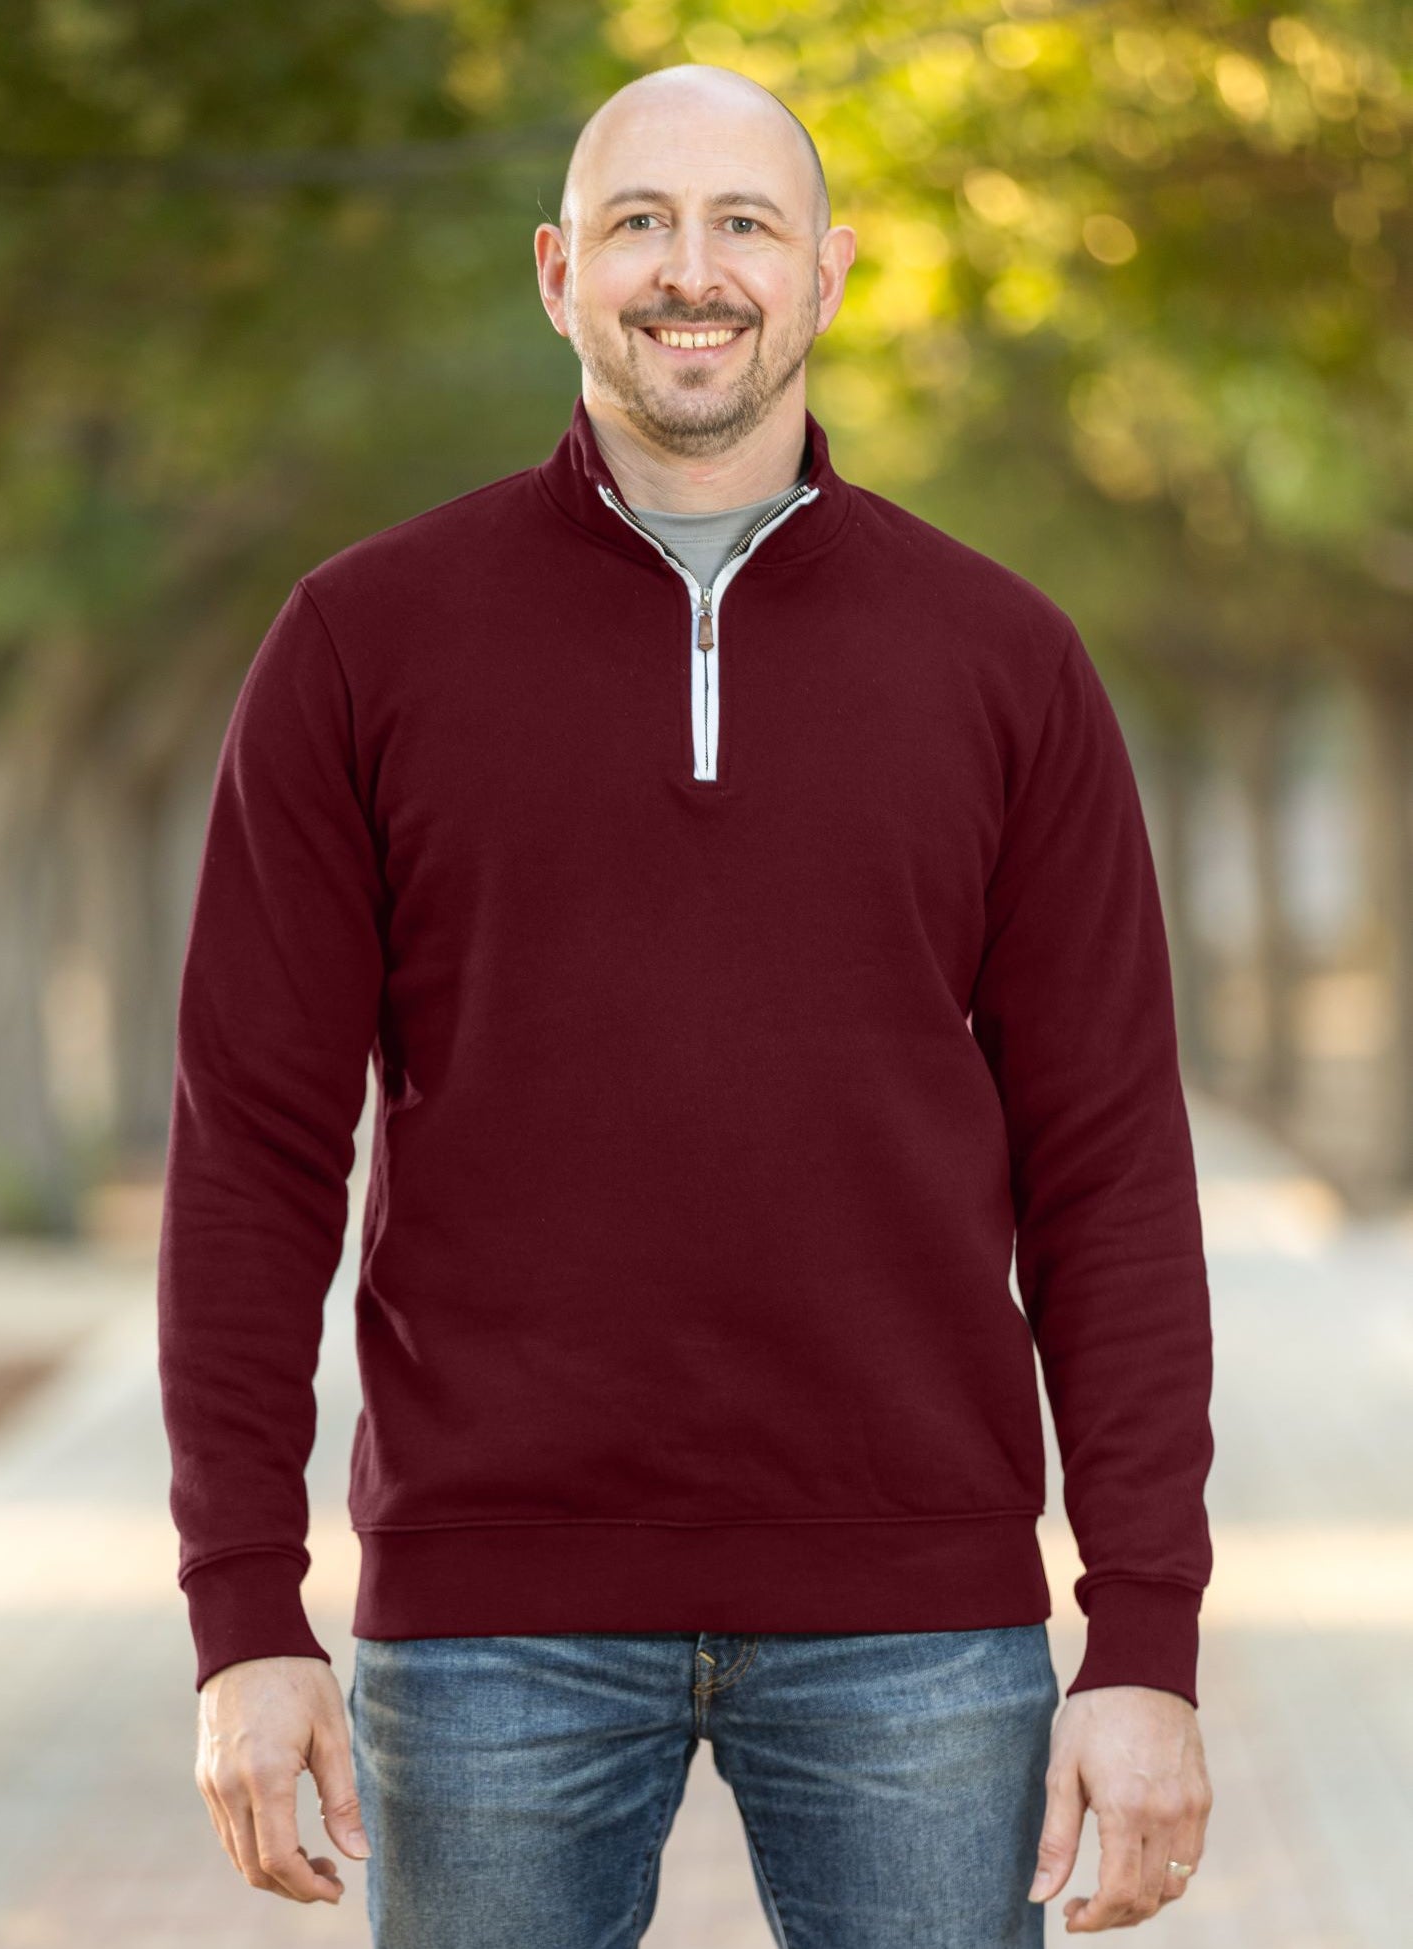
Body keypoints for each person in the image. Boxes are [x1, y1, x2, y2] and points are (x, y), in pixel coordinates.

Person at [160, 60, 1215, 1947]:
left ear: (827, 274)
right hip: (491, 1621)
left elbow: (1112, 1164)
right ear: (559, 273)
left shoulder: (1004, 662)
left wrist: (1144, 1631)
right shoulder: (362, 639)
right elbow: (250, 1147)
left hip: (916, 1617)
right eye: (640, 223)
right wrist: (244, 1608)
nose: (690, 269)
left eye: (744, 223)